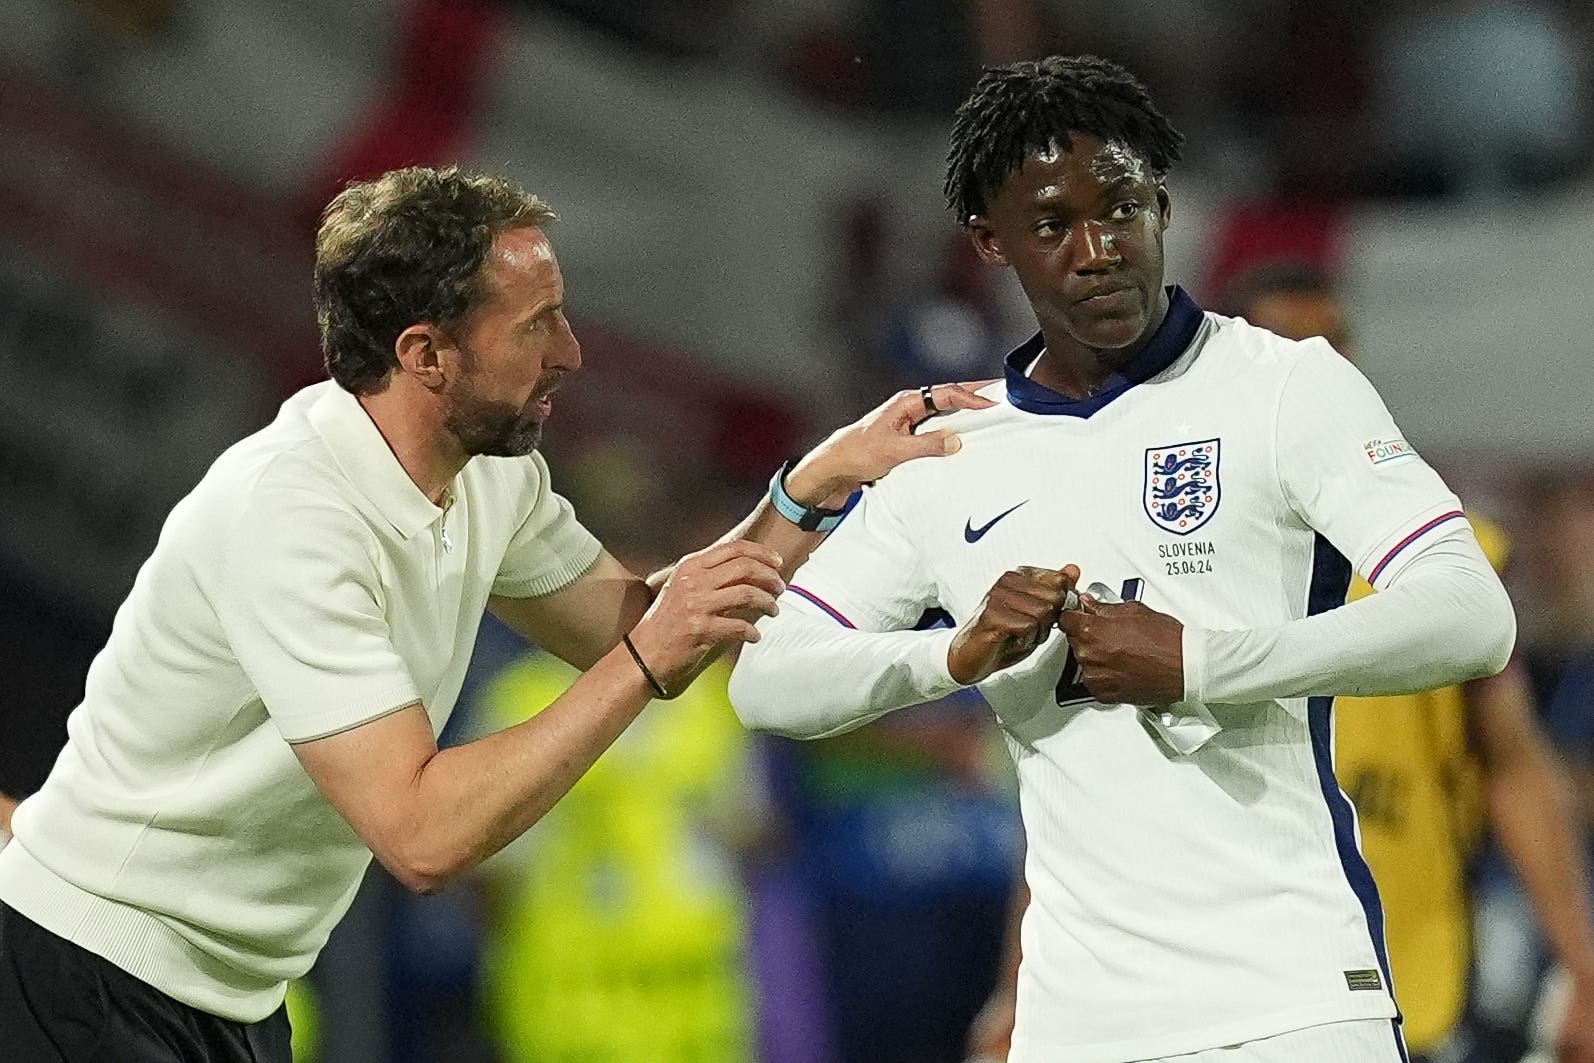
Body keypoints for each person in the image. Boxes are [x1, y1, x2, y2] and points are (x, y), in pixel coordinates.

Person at [0, 165, 990, 1063]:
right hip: (88, 974)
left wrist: (813, 486)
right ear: (426, 353)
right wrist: (645, 654)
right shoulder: (292, 517)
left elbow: (645, 628)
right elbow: (423, 833)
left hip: (228, 998)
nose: (570, 352)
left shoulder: (490, 483)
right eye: (534, 325)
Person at [728, 55, 1516, 1063]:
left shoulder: (1285, 389)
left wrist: (1196, 663)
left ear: (1163, 206)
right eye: (1053, 225)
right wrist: (953, 659)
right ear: (990, 241)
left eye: (1122, 208)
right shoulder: (949, 456)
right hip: (1077, 1022)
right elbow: (768, 682)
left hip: (1292, 997)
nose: (1099, 249)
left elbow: (1469, 613)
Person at [1228, 263, 1594, 1063]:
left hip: (1406, 984)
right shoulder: (1169, 565)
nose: (1316, 372)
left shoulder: (1442, 556)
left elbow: (1512, 764)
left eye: (1334, 352)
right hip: (1230, 988)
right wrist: (1023, 985)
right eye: (1288, 348)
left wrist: (1583, 967)